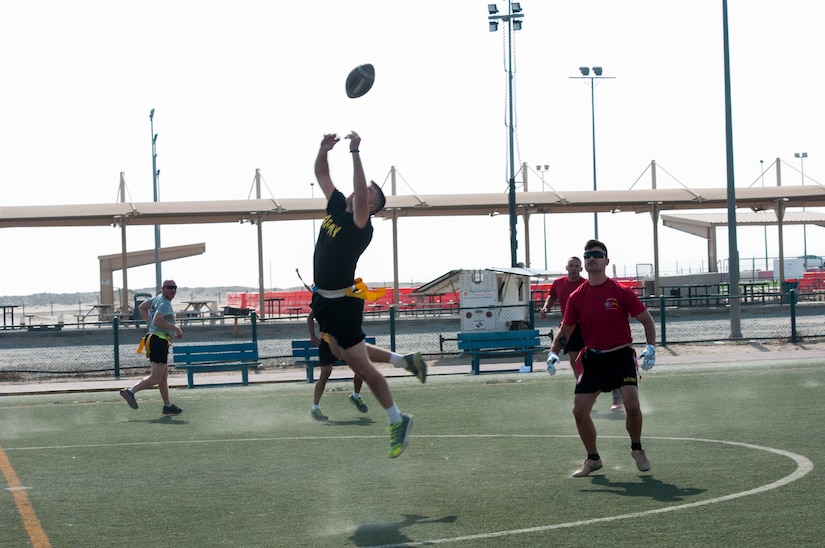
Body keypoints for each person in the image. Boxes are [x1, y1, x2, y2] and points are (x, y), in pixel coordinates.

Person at [310, 131, 426, 458]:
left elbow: (360, 194)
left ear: (371, 204)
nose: (361, 192)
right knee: (344, 351)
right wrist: (322, 150)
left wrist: (355, 151)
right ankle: (406, 362)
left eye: (369, 192)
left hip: (342, 302)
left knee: (360, 367)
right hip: (325, 300)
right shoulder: (336, 207)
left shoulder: (363, 223)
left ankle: (396, 418)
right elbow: (321, 174)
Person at [547, 240, 657, 477]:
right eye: (588, 255)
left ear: (606, 261)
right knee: (579, 411)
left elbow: (647, 320)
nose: (591, 259)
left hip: (621, 356)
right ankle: (593, 459)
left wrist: (651, 347)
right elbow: (566, 329)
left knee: (632, 405)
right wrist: (553, 353)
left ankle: (637, 449)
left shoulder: (621, 291)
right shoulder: (577, 296)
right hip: (593, 359)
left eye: (597, 255)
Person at [542, 256, 624, 412]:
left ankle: (616, 394)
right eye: (571, 265)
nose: (573, 268)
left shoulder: (586, 284)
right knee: (574, 361)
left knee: (601, 360)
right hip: (569, 328)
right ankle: (586, 392)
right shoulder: (559, 283)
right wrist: (546, 307)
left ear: (581, 269)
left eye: (576, 266)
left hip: (586, 327)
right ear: (566, 268)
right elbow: (552, 296)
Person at [120, 280, 184, 415]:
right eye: (170, 288)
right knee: (155, 377)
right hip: (159, 340)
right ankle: (130, 391)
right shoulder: (165, 303)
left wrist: (149, 323)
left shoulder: (157, 299)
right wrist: (175, 328)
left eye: (175, 288)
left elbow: (142, 307)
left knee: (163, 375)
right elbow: (158, 320)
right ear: (163, 288)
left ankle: (167, 405)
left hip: (157, 339)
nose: (173, 290)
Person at [307, 310, 368, 420]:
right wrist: (312, 335)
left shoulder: (347, 299)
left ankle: (356, 396)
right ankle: (315, 408)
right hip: (328, 342)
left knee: (360, 369)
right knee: (325, 373)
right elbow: (310, 317)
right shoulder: (323, 300)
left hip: (346, 341)